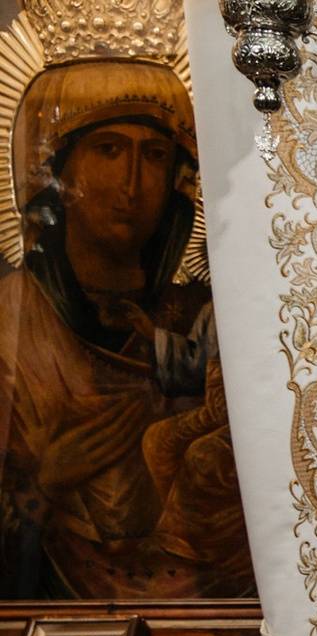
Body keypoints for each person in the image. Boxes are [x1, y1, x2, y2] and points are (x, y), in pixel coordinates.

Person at [0, 55, 249, 599]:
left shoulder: (211, 318)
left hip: (216, 616)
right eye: (108, 150)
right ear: (55, 173)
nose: (133, 183)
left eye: (154, 155)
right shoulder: (10, 322)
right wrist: (44, 483)